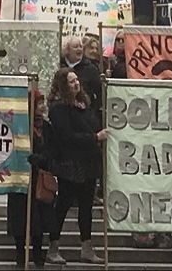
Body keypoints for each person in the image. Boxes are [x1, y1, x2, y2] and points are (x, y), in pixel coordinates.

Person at [46, 67, 106, 265]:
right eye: (71, 81)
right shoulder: (58, 109)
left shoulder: (84, 105)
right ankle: (53, 246)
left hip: (88, 161)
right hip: (70, 162)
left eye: (76, 80)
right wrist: (94, 137)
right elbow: (66, 136)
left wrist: (95, 137)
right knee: (62, 205)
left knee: (86, 206)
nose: (76, 84)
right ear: (63, 85)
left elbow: (92, 124)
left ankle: (87, 246)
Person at [7, 89, 55, 268]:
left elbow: (53, 149)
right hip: (20, 178)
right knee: (20, 218)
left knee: (40, 219)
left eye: (43, 103)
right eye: (39, 103)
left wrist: (43, 159)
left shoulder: (47, 127)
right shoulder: (20, 125)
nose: (43, 106)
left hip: (40, 178)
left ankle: (38, 254)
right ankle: (20, 253)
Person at [61, 36, 103, 119]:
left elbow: (99, 93)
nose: (79, 49)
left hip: (84, 113)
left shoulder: (91, 69)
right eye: (75, 47)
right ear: (67, 49)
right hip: (63, 111)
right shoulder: (59, 65)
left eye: (81, 46)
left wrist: (93, 111)